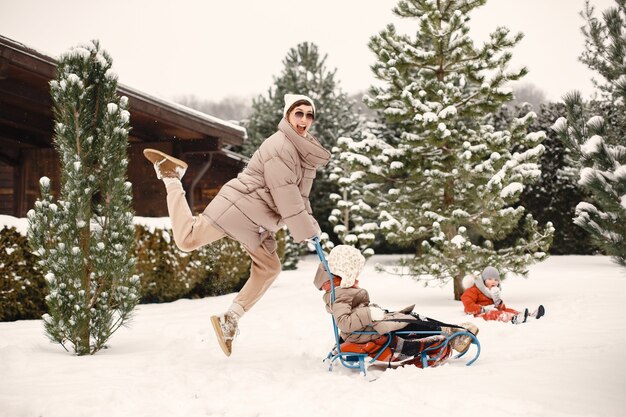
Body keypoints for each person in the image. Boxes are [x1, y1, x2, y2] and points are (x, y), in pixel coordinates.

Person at [143, 94, 330, 357]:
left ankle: (230, 318)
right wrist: (308, 232)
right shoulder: (281, 146)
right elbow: (285, 195)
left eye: (309, 115)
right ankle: (171, 175)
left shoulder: (303, 153)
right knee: (187, 239)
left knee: (269, 267)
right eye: (298, 113)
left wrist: (313, 229)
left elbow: (300, 198)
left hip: (260, 219)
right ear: (287, 115)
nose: (304, 119)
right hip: (240, 206)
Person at [314, 245, 479, 367]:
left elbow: (354, 312)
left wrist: (371, 311)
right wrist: (369, 313)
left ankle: (451, 331)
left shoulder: (343, 291)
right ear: (344, 273)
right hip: (366, 332)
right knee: (411, 323)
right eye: (354, 272)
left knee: (412, 318)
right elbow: (343, 322)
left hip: (369, 328)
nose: (357, 276)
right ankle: (451, 335)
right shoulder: (340, 294)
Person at [461, 266, 545, 324]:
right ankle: (513, 318)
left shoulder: (492, 291)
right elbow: (468, 306)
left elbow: (501, 309)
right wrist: (483, 309)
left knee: (507, 310)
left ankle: (529, 315)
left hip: (491, 311)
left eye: (496, 280)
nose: (493, 282)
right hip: (479, 314)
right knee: (494, 313)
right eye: (489, 279)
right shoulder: (474, 290)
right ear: (483, 281)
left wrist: (498, 301)